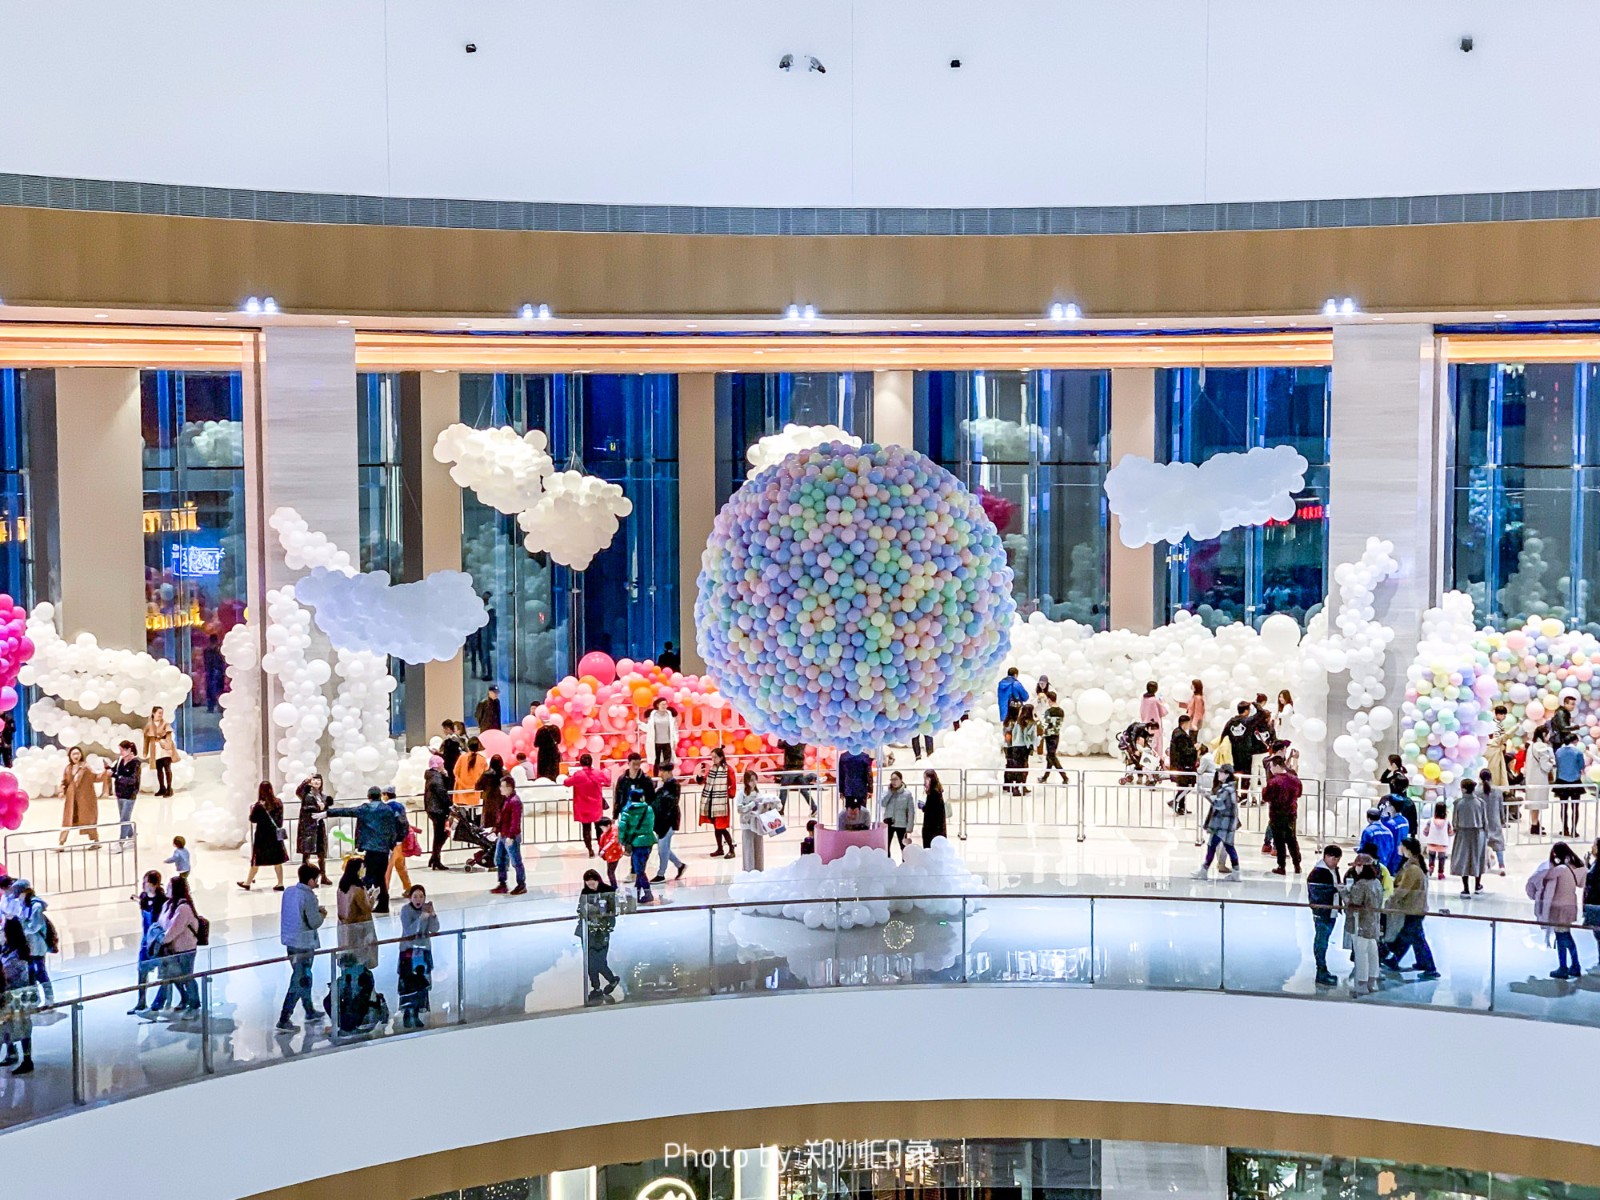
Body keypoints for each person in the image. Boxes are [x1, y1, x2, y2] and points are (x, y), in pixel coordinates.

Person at [327, 786, 404, 914]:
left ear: (369, 796)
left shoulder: (365, 809)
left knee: (368, 877)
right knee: (380, 877)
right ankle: (383, 903)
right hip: (383, 849)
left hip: (371, 848)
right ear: (380, 795)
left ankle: (364, 903)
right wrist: (393, 842)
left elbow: (347, 811)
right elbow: (395, 827)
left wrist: (327, 812)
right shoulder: (388, 810)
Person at [276, 862, 327, 1032]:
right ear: (311, 879)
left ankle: (309, 1010)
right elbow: (314, 922)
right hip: (303, 944)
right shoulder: (309, 896)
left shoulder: (289, 892)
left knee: (303, 977)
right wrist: (322, 914)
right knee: (300, 979)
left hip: (290, 942)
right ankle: (284, 1017)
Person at [1383, 837, 1440, 979]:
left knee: (1412, 936)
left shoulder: (1412, 869)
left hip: (1413, 908)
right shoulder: (1414, 866)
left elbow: (1403, 890)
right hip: (1415, 907)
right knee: (1412, 936)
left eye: (1400, 846)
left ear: (1406, 848)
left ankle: (1429, 967)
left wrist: (1391, 900)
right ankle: (1419, 962)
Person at [1529, 841, 1588, 979]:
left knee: (1562, 937)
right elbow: (1582, 882)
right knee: (1566, 936)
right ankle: (1574, 965)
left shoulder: (1559, 869)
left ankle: (1564, 967)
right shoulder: (1575, 867)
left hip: (1558, 909)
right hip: (1570, 908)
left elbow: (1543, 876)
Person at [148, 875, 201, 1015]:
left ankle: (194, 1005)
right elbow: (160, 925)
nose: (166, 889)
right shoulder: (168, 905)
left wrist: (160, 937)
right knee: (174, 977)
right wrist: (162, 935)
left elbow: (170, 932)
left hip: (185, 950)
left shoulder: (183, 909)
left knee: (186, 977)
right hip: (171, 950)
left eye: (169, 887)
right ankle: (183, 1001)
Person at [397, 885, 439, 1028]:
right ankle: (407, 1013)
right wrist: (421, 918)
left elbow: (434, 929)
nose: (418, 899)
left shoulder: (425, 910)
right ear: (410, 898)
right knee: (408, 984)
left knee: (421, 984)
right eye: (415, 896)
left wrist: (433, 915)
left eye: (421, 896)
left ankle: (416, 1012)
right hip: (409, 952)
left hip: (423, 951)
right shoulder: (405, 911)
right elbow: (408, 931)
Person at [576, 869, 620, 1004]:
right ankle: (596, 987)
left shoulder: (608, 890)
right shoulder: (585, 893)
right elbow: (580, 908)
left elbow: (613, 911)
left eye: (593, 884)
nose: (591, 887)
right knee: (589, 962)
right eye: (588, 884)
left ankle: (612, 980)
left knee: (598, 961)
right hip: (588, 930)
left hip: (601, 931)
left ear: (598, 881)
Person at [1, 917, 37, 1073]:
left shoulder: (20, 951)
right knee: (7, 1025)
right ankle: (11, 1052)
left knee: (22, 1026)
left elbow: (14, 972)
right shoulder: (7, 948)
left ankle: (27, 1059)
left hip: (19, 996)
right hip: (8, 995)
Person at [239, 781, 289, 891]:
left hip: (262, 837)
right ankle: (280, 883)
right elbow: (280, 819)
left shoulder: (259, 805)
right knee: (277, 861)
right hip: (275, 836)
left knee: (257, 860)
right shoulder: (278, 802)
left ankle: (247, 882)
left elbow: (253, 819)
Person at [1305, 845, 1344, 987]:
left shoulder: (1332, 870)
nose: (1335, 862)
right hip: (1323, 913)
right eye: (1332, 858)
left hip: (1331, 911)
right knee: (1321, 941)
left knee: (1324, 940)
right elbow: (1317, 894)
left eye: (1337, 859)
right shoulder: (1318, 873)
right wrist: (1335, 889)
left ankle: (1323, 969)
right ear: (1326, 857)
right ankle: (1320, 971)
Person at [1345, 857, 1384, 995]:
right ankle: (1372, 981)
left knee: (1361, 954)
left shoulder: (1361, 884)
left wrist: (1343, 892)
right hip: (1373, 923)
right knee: (1373, 952)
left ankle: (1361, 983)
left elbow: (1353, 903)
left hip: (1360, 923)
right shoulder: (1377, 883)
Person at [129, 869, 166, 1013]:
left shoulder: (162, 900)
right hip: (146, 941)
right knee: (141, 971)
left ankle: (159, 1001)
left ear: (154, 884)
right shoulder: (144, 897)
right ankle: (141, 1001)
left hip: (157, 941)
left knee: (165, 973)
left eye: (147, 882)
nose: (144, 885)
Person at [9, 881, 51, 1004]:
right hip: (28, 946)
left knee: (40, 971)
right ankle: (34, 998)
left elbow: (34, 926)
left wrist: (20, 927)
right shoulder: (24, 905)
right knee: (30, 972)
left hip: (36, 945)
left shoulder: (35, 906)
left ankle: (49, 998)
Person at [1196, 766, 1240, 879]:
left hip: (1222, 824)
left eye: (1221, 772)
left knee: (1214, 846)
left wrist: (1206, 796)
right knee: (1227, 846)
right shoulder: (1230, 788)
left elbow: (1219, 804)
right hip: (1225, 824)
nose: (1218, 774)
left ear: (1227, 774)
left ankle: (1204, 870)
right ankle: (1235, 872)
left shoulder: (1226, 790)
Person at [335, 855, 378, 972]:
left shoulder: (342, 887)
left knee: (348, 958)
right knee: (360, 959)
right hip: (359, 929)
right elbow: (366, 909)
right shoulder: (357, 889)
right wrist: (373, 897)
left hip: (344, 928)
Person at [617, 783, 658, 901]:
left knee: (639, 870)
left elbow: (622, 827)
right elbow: (651, 824)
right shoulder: (648, 809)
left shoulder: (627, 810)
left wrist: (623, 840)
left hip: (636, 843)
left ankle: (648, 893)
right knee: (641, 867)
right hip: (649, 841)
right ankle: (637, 892)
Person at [1262, 756, 1303, 875]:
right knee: (1292, 839)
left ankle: (1281, 866)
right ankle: (1297, 864)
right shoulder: (1294, 779)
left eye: (1271, 767)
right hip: (1291, 813)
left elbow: (1266, 797)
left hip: (1277, 814)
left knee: (1279, 840)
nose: (1271, 769)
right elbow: (1299, 793)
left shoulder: (1274, 781)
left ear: (1277, 766)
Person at [58, 745, 103, 847]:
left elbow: (95, 777)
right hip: (71, 800)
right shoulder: (68, 768)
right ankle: (61, 843)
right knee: (67, 821)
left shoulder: (86, 767)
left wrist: (104, 773)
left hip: (85, 800)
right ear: (70, 756)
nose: (76, 755)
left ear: (81, 755)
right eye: (73, 754)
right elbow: (64, 782)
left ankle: (96, 841)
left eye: (78, 753)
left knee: (88, 820)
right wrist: (61, 790)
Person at [1450, 777, 1489, 897]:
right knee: (1478, 859)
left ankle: (1465, 888)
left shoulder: (1458, 803)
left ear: (1463, 789)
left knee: (1463, 859)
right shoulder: (1480, 802)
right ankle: (1478, 885)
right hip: (1478, 834)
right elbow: (1485, 821)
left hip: (1462, 833)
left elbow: (1455, 821)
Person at [565, 752, 609, 855]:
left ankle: (590, 850)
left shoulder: (578, 775)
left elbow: (566, 783)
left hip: (583, 806)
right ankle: (601, 847)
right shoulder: (598, 773)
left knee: (586, 829)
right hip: (596, 806)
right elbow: (607, 781)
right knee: (599, 828)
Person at [489, 776, 526, 895]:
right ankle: (502, 883)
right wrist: (496, 830)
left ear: (509, 787)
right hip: (503, 834)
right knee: (499, 859)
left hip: (510, 836)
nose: (500, 789)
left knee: (516, 861)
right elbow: (502, 818)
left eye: (503, 786)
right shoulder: (506, 800)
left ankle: (521, 884)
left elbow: (515, 821)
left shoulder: (515, 801)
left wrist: (510, 836)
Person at [649, 763, 685, 882]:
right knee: (664, 847)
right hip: (661, 821)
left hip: (669, 821)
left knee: (662, 848)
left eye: (662, 772)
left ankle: (661, 873)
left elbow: (669, 803)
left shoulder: (673, 786)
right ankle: (680, 865)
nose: (660, 775)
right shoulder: (664, 787)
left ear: (668, 772)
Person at [295, 774, 332, 885]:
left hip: (319, 826)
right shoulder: (306, 794)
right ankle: (304, 878)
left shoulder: (323, 796)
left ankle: (323, 876)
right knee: (306, 853)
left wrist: (324, 807)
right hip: (307, 828)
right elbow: (298, 791)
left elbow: (325, 810)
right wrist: (306, 780)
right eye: (314, 779)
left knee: (321, 853)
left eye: (318, 780)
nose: (316, 782)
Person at [736, 770, 773, 872]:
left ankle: (759, 870)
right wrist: (752, 804)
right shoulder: (741, 794)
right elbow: (740, 809)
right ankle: (749, 871)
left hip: (757, 824)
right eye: (751, 780)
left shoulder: (758, 793)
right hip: (747, 825)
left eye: (755, 779)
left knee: (758, 849)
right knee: (748, 849)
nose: (754, 782)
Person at [109, 739, 142, 849]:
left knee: (124, 819)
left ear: (129, 750)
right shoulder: (120, 761)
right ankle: (132, 837)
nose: (120, 752)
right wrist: (111, 772)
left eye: (122, 750)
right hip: (119, 793)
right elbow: (115, 772)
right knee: (125, 817)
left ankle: (121, 842)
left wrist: (119, 777)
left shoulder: (136, 763)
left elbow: (133, 779)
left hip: (130, 794)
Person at [1524, 725, 1556, 836]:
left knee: (1533, 802)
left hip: (1531, 778)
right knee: (1537, 803)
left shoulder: (1531, 746)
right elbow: (1545, 766)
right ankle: (1534, 825)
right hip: (1539, 779)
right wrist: (1552, 763)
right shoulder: (1542, 747)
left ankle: (1535, 823)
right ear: (1543, 734)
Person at [382, 787, 414, 895]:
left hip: (391, 843)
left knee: (387, 868)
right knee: (401, 866)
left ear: (386, 794)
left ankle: (384, 891)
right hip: (401, 842)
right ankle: (408, 887)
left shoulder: (386, 808)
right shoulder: (400, 806)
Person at [1554, 732, 1586, 839]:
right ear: (1575, 741)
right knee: (1575, 807)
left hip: (1562, 781)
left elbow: (1557, 764)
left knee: (1563, 807)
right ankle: (1574, 830)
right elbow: (1581, 765)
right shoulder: (1578, 752)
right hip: (1575, 781)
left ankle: (1565, 829)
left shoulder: (1558, 751)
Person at [423, 755, 452, 870]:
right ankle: (436, 859)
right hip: (438, 809)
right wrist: (450, 804)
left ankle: (434, 857)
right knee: (440, 835)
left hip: (432, 808)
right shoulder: (436, 779)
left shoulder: (431, 776)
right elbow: (442, 793)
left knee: (438, 835)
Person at [1222, 703, 1257, 797]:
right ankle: (1244, 795)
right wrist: (1255, 703)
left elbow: (1223, 735)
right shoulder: (1247, 721)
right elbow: (1261, 714)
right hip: (1246, 752)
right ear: (1246, 711)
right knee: (1246, 775)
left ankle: (1235, 793)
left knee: (1236, 772)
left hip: (1235, 752)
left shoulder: (1230, 722)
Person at [142, 706, 177, 798]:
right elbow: (146, 739)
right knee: (159, 769)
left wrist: (168, 747)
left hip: (165, 748)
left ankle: (169, 788)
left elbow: (169, 736)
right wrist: (145, 751)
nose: (161, 715)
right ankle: (162, 787)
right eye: (159, 713)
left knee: (167, 768)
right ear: (154, 713)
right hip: (155, 749)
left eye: (162, 713)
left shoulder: (165, 724)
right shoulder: (149, 725)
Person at [776, 738, 817, 815]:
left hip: (790, 769)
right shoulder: (802, 740)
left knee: (783, 790)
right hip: (799, 768)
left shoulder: (790, 740)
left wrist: (780, 737)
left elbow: (780, 745)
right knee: (803, 790)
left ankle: (780, 810)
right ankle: (814, 808)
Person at [1167, 714, 1198, 815]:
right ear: (1184, 723)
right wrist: (1195, 748)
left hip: (1181, 765)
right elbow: (1185, 751)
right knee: (1187, 785)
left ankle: (1181, 806)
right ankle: (1176, 802)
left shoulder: (1178, 733)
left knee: (1184, 786)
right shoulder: (1180, 735)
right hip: (1183, 766)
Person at [879, 770, 915, 857]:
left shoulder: (907, 794)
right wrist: (890, 793)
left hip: (901, 824)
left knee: (904, 847)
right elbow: (882, 803)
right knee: (886, 846)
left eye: (896, 779)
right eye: (892, 780)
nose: (893, 782)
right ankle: (887, 864)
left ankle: (905, 865)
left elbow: (911, 811)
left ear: (901, 780)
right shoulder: (887, 791)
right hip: (889, 823)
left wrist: (909, 827)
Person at [1479, 768, 1508, 876]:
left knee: (1482, 845)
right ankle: (1502, 866)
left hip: (1481, 821)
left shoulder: (1477, 791)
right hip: (1495, 820)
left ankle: (1483, 865)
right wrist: (1503, 820)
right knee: (1498, 845)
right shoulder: (1497, 791)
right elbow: (1501, 807)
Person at [640, 699, 678, 774]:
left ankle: (667, 779)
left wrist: (675, 741)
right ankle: (656, 780)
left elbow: (674, 730)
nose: (664, 706)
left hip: (667, 742)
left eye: (665, 704)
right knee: (656, 762)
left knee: (667, 762)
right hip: (656, 743)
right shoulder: (653, 715)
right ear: (657, 705)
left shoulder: (670, 715)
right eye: (662, 704)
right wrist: (640, 724)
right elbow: (649, 728)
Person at [613, 752, 656, 818]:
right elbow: (618, 797)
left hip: (642, 814)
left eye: (638, 764)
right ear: (628, 763)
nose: (636, 766)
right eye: (634, 764)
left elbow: (651, 798)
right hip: (626, 813)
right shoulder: (622, 779)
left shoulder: (646, 779)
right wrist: (615, 815)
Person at [1039, 691, 1068, 785]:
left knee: (1052, 757)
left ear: (1049, 699)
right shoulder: (1061, 711)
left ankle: (1064, 776)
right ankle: (1045, 777)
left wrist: (1037, 721)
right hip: (1056, 735)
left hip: (1049, 736)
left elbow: (1044, 725)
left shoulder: (1048, 711)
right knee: (1050, 757)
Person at [452, 737, 487, 810]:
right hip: (475, 794)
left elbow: (455, 771)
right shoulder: (482, 760)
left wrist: (461, 782)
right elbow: (485, 775)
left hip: (461, 793)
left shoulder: (462, 758)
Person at [1360, 806, 1397, 874]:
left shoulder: (1368, 831)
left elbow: (1363, 849)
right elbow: (1392, 848)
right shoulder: (1388, 831)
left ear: (1368, 819)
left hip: (1371, 866)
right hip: (1385, 865)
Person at [1421, 802, 1451, 882]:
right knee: (1441, 858)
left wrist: (1426, 834)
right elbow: (1450, 832)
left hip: (1432, 842)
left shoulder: (1430, 821)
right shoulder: (1447, 822)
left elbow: (1425, 831)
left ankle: (1431, 867)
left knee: (1431, 856)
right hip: (1443, 843)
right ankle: (1440, 873)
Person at [1486, 704, 1513, 789]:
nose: (1504, 716)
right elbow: (1498, 738)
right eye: (1503, 714)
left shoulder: (1494, 723)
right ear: (1498, 714)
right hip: (1495, 750)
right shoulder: (1496, 725)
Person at [478, 753, 506, 831]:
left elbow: (478, 786)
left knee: (489, 829)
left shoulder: (486, 775)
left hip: (489, 803)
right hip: (503, 801)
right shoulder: (506, 774)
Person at [920, 770, 947, 847]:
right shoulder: (937, 790)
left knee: (930, 847)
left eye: (925, 778)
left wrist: (923, 807)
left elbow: (931, 809)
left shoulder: (933, 792)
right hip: (937, 826)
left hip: (932, 827)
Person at [1139, 681, 1167, 749]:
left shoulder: (1143, 699)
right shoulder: (1155, 700)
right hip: (1155, 726)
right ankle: (1157, 758)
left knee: (1147, 744)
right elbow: (1164, 712)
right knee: (1156, 745)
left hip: (1145, 725)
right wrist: (1162, 702)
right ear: (1156, 689)